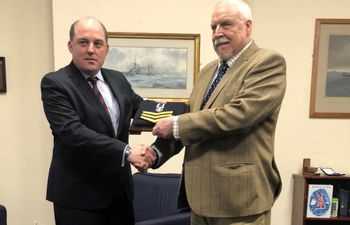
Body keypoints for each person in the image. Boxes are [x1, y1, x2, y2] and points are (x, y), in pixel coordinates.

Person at [151, 0, 286, 224]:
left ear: (248, 26)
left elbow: (239, 115)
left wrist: (176, 125)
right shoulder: (207, 71)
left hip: (239, 203)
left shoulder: (266, 62)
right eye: (213, 27)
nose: (217, 33)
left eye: (226, 24)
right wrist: (156, 152)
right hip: (199, 201)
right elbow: (192, 120)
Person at [41, 16, 154, 225]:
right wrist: (127, 152)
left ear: (106, 49)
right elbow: (72, 132)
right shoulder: (55, 83)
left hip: (119, 194)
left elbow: (143, 110)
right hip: (79, 198)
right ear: (70, 46)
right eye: (83, 42)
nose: (91, 49)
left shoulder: (117, 79)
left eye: (97, 43)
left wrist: (180, 116)